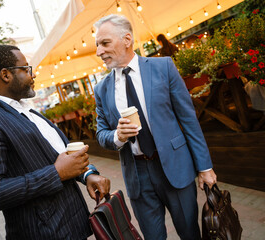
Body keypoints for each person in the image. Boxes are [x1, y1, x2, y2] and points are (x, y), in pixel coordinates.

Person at [0, 45, 110, 240]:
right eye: (25, 69)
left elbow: (58, 155)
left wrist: (87, 175)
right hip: (44, 233)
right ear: (5, 75)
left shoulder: (26, 109)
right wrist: (56, 173)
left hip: (72, 226)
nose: (33, 75)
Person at [93, 14, 217, 240]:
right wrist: (117, 136)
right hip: (137, 176)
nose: (99, 51)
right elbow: (101, 133)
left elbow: (188, 120)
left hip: (175, 167)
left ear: (127, 39)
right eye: (97, 45)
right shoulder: (101, 89)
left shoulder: (163, 67)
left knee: (191, 234)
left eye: (105, 43)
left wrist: (205, 167)